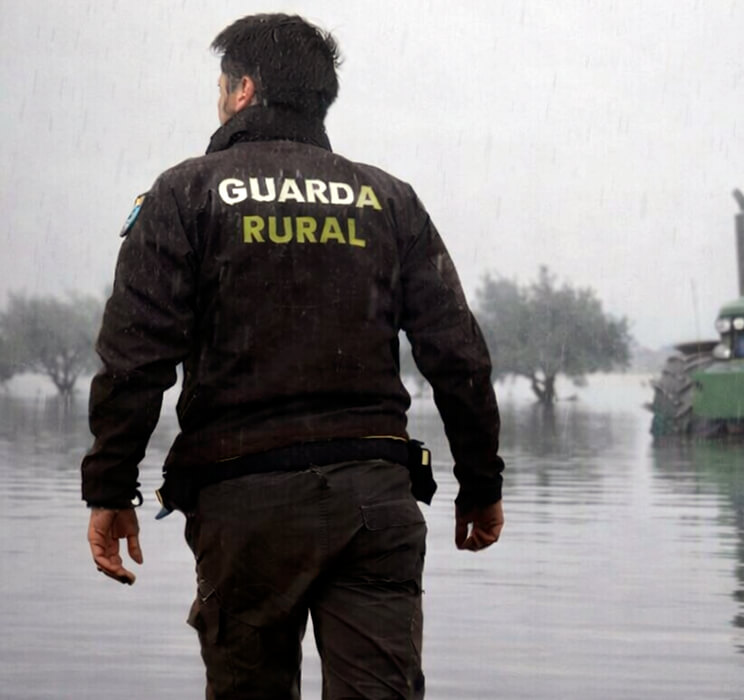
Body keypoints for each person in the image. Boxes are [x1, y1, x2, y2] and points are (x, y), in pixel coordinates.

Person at [82, 13, 504, 698]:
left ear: (244, 90)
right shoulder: (388, 200)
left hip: (245, 501)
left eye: (222, 87)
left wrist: (109, 486)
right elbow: (459, 357)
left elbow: (135, 359)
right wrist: (481, 484)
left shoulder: (184, 194)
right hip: (374, 497)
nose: (218, 100)